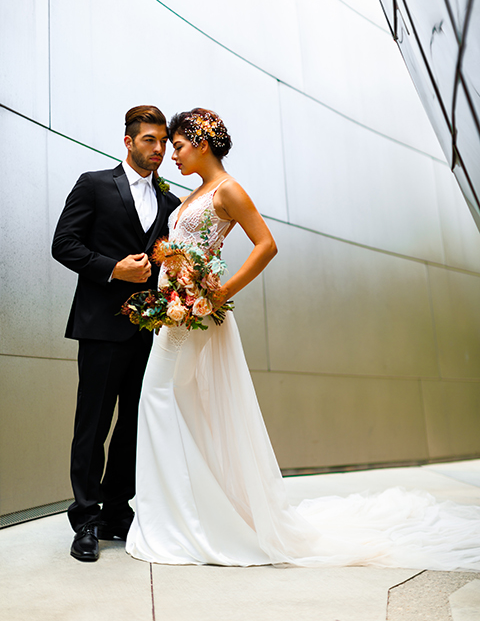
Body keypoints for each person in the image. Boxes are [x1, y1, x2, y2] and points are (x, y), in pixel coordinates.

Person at [126, 108, 480, 570]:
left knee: (161, 399)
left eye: (177, 146)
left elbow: (266, 244)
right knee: (175, 406)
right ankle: (180, 516)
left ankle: (185, 522)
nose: (171, 155)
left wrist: (220, 292)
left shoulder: (228, 190)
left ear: (203, 143)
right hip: (177, 315)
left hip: (196, 314)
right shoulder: (193, 193)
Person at [52, 105, 181, 562]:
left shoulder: (170, 203)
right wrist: (114, 270)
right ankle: (84, 519)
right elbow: (63, 244)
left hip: (148, 331)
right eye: (150, 140)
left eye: (164, 141)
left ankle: (114, 511)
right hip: (101, 328)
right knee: (93, 424)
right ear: (128, 142)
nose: (159, 149)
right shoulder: (93, 185)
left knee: (132, 426)